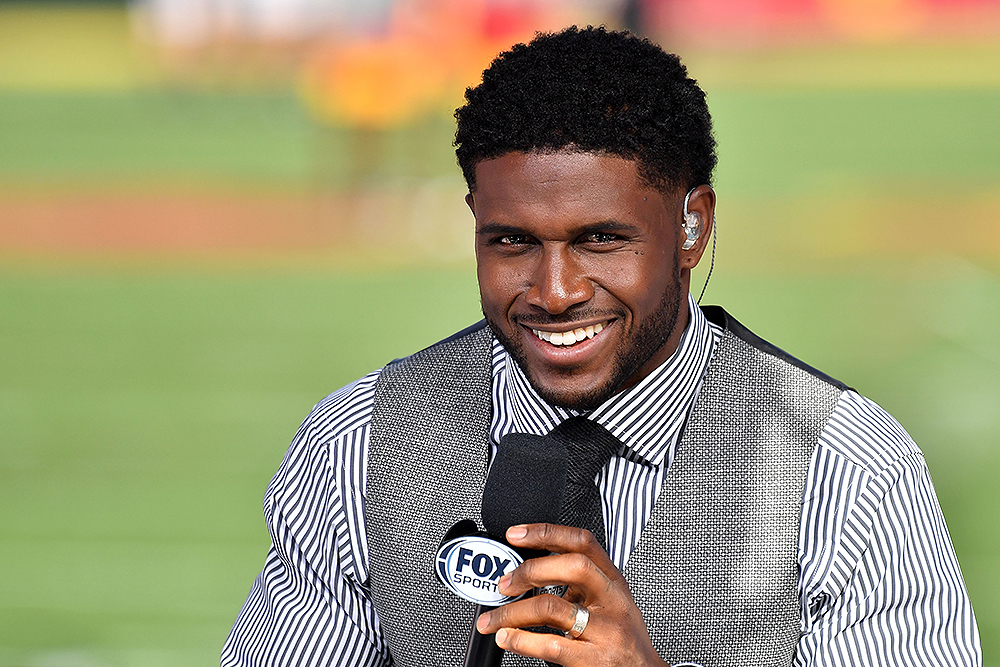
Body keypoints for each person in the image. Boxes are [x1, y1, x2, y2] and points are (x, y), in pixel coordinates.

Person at [222, 26, 982, 667]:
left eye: (601, 240)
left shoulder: (846, 466)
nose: (554, 291)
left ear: (692, 227)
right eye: (513, 241)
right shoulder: (357, 443)